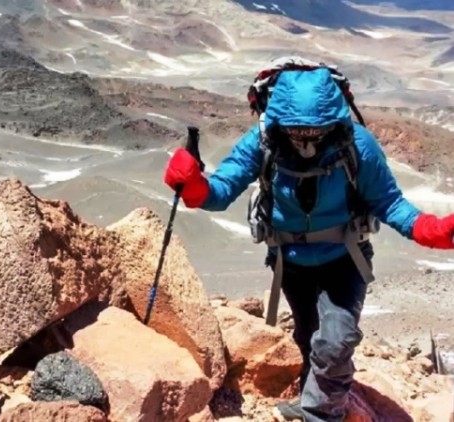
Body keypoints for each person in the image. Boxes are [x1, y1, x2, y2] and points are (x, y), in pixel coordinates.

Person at [163, 61, 454, 421]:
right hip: (290, 261)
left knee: (336, 342)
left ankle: (320, 414)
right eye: (296, 131)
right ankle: (313, 395)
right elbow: (222, 190)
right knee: (309, 335)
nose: (306, 141)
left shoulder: (356, 145)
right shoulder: (264, 138)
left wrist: (433, 230)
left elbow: (390, 202)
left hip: (345, 259)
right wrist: (194, 187)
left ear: (334, 120)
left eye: (315, 132)